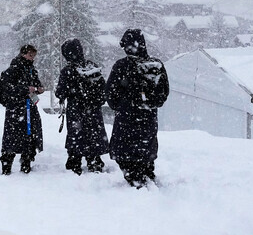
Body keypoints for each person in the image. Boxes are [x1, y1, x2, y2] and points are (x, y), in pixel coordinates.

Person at [106, 29, 169, 188]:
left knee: (125, 151)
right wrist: (149, 103)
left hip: (127, 117)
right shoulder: (156, 65)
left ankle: (134, 178)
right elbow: (164, 92)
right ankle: (147, 174)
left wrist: (122, 105)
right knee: (146, 147)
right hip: (148, 117)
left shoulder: (121, 66)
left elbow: (110, 94)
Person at [55, 38, 109, 174]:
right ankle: (94, 160)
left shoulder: (67, 71)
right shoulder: (92, 67)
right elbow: (103, 88)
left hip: (76, 110)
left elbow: (60, 92)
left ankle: (75, 162)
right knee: (93, 134)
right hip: (93, 110)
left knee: (76, 135)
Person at [0, 44, 45, 174]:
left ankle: (26, 163)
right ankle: (7, 166)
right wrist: (25, 89)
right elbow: (7, 89)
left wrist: (39, 89)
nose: (32, 58)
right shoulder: (13, 69)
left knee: (29, 138)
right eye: (30, 55)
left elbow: (36, 84)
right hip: (16, 110)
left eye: (34, 56)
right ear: (23, 54)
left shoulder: (31, 70)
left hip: (29, 108)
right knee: (12, 139)